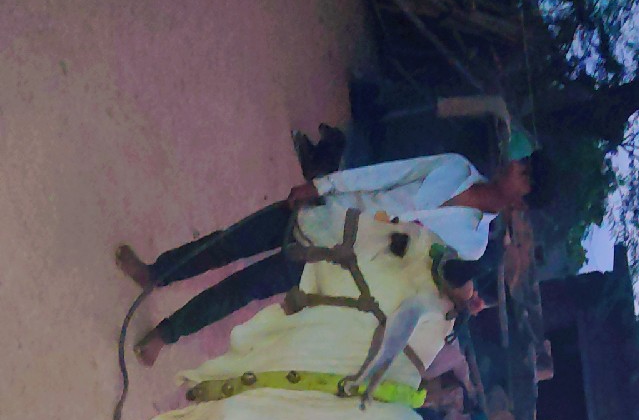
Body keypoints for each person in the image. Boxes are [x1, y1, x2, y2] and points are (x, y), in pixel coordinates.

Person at [117, 149, 546, 366]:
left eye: (525, 175)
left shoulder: (472, 245)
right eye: (523, 163)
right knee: (229, 242)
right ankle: (156, 273)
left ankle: (166, 334)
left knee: (243, 289)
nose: (514, 166)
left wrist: (457, 296)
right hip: (326, 210)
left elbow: (416, 276)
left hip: (335, 259)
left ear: (521, 205)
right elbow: (384, 174)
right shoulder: (455, 166)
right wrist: (322, 186)